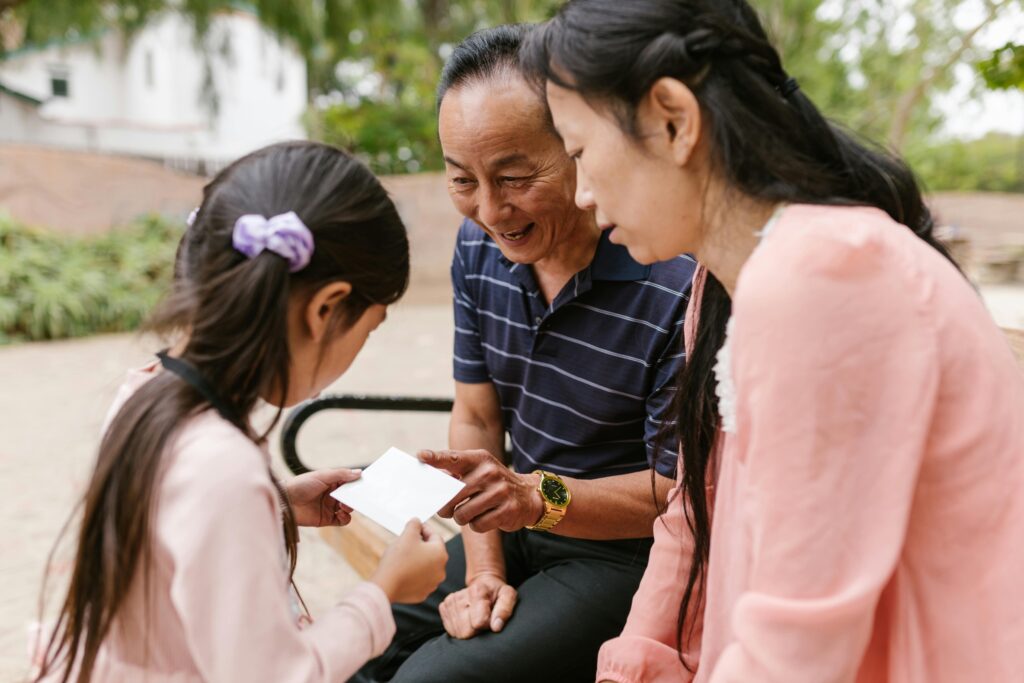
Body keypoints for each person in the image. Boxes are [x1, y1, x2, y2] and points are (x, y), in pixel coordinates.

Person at [522, 1, 1024, 681]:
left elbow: (801, 641)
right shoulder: (726, 283)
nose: (580, 193)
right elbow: (693, 512)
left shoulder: (824, 280)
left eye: (579, 151)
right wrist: (632, 665)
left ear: (672, 118)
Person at [351, 25, 697, 683]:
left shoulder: (671, 277)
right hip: (512, 518)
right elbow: (477, 419)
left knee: (430, 677)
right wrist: (483, 567)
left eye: (513, 177)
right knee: (354, 640)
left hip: (619, 557)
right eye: (462, 180)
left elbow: (673, 490)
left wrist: (537, 498)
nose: (488, 209)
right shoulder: (478, 248)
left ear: (578, 148)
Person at [34, 141, 449, 683]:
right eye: (368, 329)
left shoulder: (147, 392)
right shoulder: (222, 467)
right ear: (325, 308)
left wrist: (272, 510)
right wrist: (384, 591)